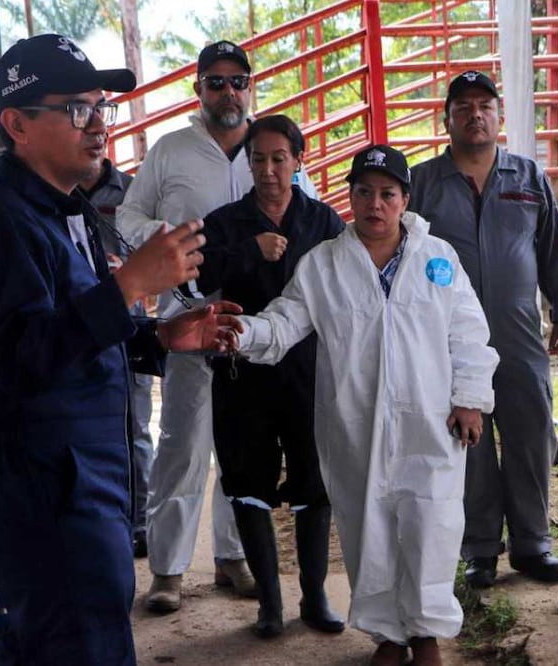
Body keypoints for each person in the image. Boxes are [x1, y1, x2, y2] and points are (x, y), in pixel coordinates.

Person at [0, 34, 242, 664]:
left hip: (85, 482)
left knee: (99, 638)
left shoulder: (62, 212)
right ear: (17, 124)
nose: (99, 125)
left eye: (101, 107)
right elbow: (19, 362)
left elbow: (71, 331)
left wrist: (157, 337)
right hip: (48, 490)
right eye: (77, 110)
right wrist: (130, 284)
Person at [229, 144, 499, 666]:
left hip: (430, 422)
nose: (375, 204)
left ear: (404, 200)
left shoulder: (437, 259)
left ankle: (425, 635)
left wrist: (470, 400)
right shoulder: (324, 265)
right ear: (349, 197)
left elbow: (468, 334)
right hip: (355, 426)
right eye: (364, 192)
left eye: (387, 194)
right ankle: (387, 636)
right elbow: (283, 324)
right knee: (366, 528)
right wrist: (238, 333)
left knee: (432, 526)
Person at [408, 70, 558, 589]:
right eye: (463, 106)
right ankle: (479, 547)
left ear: (499, 115)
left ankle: (532, 544)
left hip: (519, 333)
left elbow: (553, 247)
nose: (475, 114)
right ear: (447, 119)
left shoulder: (528, 178)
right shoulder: (422, 183)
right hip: (448, 341)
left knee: (532, 433)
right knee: (469, 441)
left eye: (485, 105)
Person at [118, 39, 259, 610]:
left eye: (238, 80)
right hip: (184, 319)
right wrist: (167, 246)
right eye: (216, 81)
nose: (228, 91)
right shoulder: (171, 151)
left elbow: (302, 213)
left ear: (252, 86)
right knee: (183, 443)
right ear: (197, 89)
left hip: (254, 324)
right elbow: (128, 215)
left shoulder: (270, 150)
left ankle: (232, 559)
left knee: (242, 445)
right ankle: (169, 572)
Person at [198, 115, 346, 638]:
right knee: (246, 482)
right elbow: (198, 280)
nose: (268, 170)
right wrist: (249, 250)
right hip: (242, 376)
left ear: (298, 161)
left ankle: (314, 596)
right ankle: (268, 604)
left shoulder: (324, 222)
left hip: (309, 375)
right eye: (258, 159)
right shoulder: (222, 224)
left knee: (315, 480)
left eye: (279, 158)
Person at [77, 156, 154, 558]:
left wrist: (125, 268)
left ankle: (142, 523)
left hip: (128, 326)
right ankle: (104, 522)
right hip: (76, 327)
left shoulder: (131, 191)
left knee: (136, 427)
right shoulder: (54, 192)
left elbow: (150, 247)